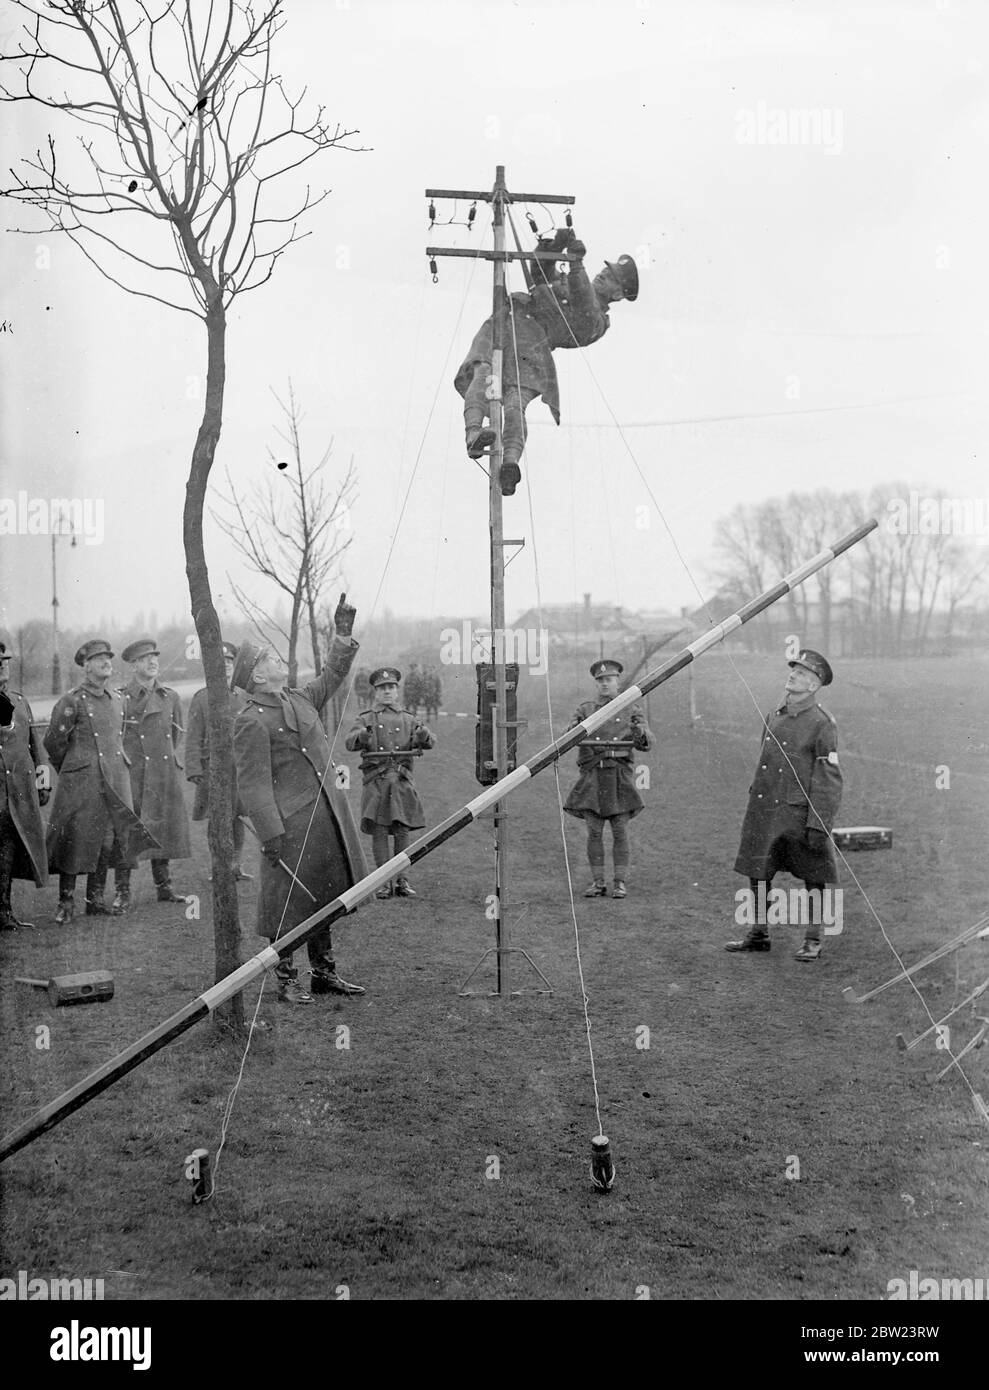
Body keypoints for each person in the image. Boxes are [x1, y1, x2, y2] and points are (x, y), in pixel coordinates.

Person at [233, 595, 366, 1004]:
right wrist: (271, 834)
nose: (279, 661)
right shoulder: (250, 721)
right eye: (270, 659)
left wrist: (342, 635)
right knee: (286, 903)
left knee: (322, 894)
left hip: (324, 816)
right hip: (288, 825)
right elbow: (253, 784)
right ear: (257, 676)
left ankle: (324, 973)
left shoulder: (300, 697)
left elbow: (333, 673)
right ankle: (286, 980)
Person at [454, 231, 638, 495]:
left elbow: (584, 303)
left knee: (515, 400)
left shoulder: (598, 321)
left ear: (618, 295)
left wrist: (576, 264)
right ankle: (473, 434)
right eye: (604, 271)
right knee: (483, 373)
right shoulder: (572, 282)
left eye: (610, 278)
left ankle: (510, 463)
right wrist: (553, 246)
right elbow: (540, 274)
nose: (601, 275)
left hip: (533, 344)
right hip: (508, 321)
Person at [725, 649, 843, 962]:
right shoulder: (774, 715)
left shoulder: (822, 723)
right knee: (758, 869)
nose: (793, 675)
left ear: (814, 685)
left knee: (813, 873)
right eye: (794, 670)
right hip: (766, 808)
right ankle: (758, 933)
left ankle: (813, 939)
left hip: (798, 812)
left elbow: (829, 777)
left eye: (802, 673)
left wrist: (819, 822)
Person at [44, 639, 160, 923]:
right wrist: (75, 767)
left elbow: (117, 738)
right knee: (75, 840)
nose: (107, 662)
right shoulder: (72, 700)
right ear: (86, 666)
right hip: (83, 783)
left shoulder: (117, 699)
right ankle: (66, 902)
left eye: (108, 658)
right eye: (99, 659)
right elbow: (53, 742)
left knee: (107, 840)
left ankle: (94, 900)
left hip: (115, 781)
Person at [563, 658, 654, 899]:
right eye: (601, 680)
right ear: (596, 683)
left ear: (617, 682)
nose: (605, 684)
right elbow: (568, 738)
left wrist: (638, 731)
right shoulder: (586, 710)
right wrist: (574, 729)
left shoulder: (631, 709)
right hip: (593, 777)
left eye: (609, 679)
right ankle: (598, 882)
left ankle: (620, 882)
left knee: (620, 831)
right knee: (594, 832)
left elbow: (646, 743)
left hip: (618, 778)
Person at [112, 639, 191, 910]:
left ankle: (164, 887)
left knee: (162, 828)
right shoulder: (121, 697)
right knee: (128, 831)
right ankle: (122, 890)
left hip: (161, 772)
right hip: (133, 774)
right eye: (145, 658)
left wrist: (162, 758)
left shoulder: (170, 696)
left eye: (155, 657)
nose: (153, 661)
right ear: (133, 665)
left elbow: (177, 733)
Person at [345, 667, 436, 899]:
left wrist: (422, 735)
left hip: (401, 782)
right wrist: (362, 736)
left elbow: (429, 742)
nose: (387, 691)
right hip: (376, 783)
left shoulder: (409, 718)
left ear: (397, 691)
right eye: (382, 688)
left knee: (402, 830)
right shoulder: (366, 718)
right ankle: (384, 882)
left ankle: (402, 880)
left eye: (391, 687)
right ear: (375, 692)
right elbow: (349, 742)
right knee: (380, 830)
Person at [185, 640, 251, 881]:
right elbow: (193, 737)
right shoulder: (201, 698)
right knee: (217, 821)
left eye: (230, 661)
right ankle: (219, 868)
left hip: (239, 770)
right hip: (212, 771)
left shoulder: (243, 697)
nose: (226, 665)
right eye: (221, 662)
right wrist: (194, 769)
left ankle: (236, 866)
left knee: (237, 818)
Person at [0, 641, 48, 930]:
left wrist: (43, 783)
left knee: (7, 850)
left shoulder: (19, 701)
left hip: (17, 793)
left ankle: (4, 912)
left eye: (5, 660)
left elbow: (35, 747)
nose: (2, 665)